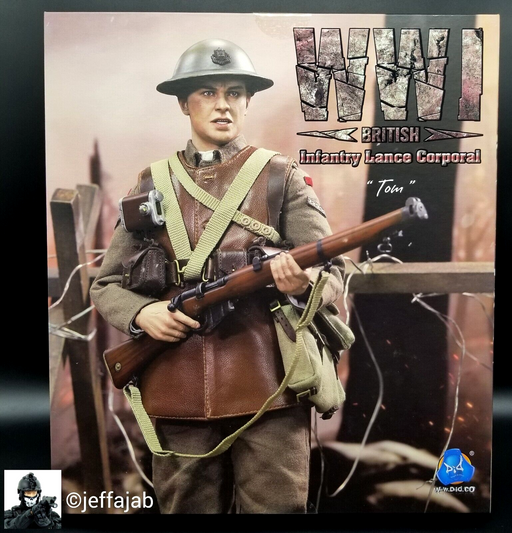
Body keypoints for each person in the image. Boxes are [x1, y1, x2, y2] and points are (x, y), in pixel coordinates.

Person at [90, 38, 344, 514]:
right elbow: (105, 286)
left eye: (234, 93)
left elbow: (332, 269)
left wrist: (304, 284)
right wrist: (143, 314)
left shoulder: (280, 176)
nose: (222, 104)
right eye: (207, 92)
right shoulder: (151, 183)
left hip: (270, 385)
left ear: (248, 103)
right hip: (175, 383)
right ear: (184, 104)